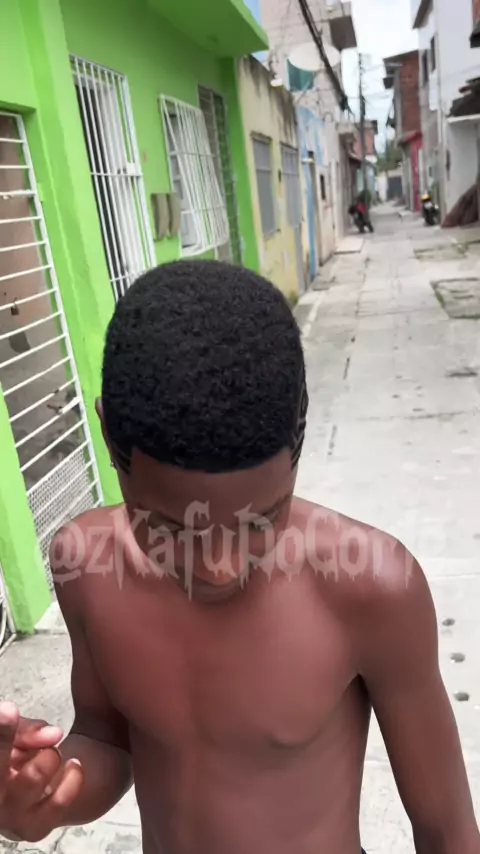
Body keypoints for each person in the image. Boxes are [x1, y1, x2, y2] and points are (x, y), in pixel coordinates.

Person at [0, 261, 478, 854]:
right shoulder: (86, 568)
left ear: (298, 437)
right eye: (173, 528)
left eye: (262, 519)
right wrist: (46, 793)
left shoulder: (371, 587)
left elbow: (448, 831)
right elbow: (108, 736)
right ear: (109, 439)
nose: (219, 566)